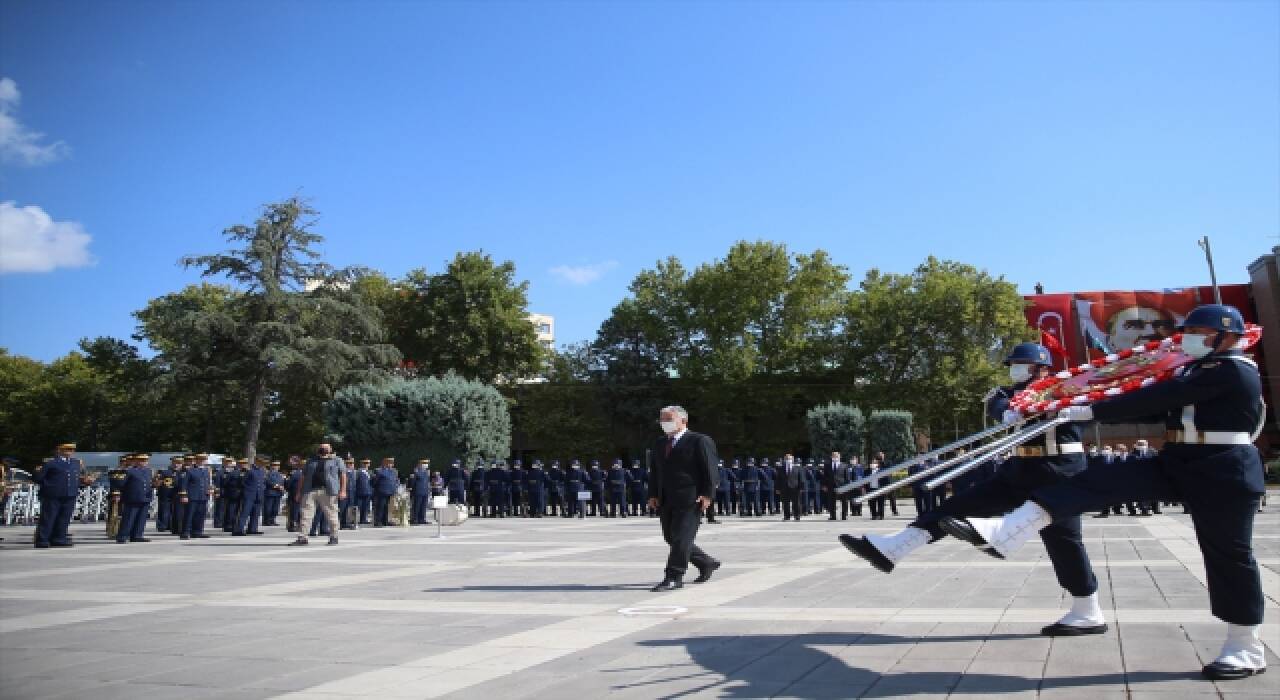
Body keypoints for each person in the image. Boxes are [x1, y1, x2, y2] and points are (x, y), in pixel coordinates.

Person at [941, 305, 1267, 680]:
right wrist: (1086, 406)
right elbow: (1153, 411)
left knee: (1228, 554)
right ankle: (1010, 528)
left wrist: (1089, 409)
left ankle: (1245, 646)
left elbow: (1158, 398)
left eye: (1199, 331)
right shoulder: (1194, 369)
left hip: (1223, 468)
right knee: (1093, 482)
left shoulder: (1233, 369)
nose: (1189, 337)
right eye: (1188, 328)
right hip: (1179, 458)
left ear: (1226, 338)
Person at [842, 341, 1105, 639]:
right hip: (1018, 471)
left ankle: (1087, 610)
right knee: (955, 507)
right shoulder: (1010, 393)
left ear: (1041, 367)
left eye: (1020, 364)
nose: (1014, 370)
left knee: (1064, 542)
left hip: (1059, 471)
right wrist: (1009, 410)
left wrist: (1068, 405)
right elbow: (996, 400)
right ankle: (893, 548)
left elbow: (1097, 406)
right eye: (1013, 365)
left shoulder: (1066, 387)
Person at [647, 405, 721, 591]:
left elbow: (710, 471)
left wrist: (708, 495)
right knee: (671, 537)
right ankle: (706, 563)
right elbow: (656, 471)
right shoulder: (660, 443)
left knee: (681, 537)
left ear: (683, 421)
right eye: (662, 420)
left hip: (691, 498)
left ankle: (674, 576)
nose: (665, 423)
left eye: (669, 419)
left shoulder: (699, 441)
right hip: (666, 498)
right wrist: (653, 494)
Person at [291, 443, 346, 546]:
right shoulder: (311, 460)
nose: (323, 449)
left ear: (330, 450)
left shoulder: (337, 460)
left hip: (328, 490)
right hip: (310, 490)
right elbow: (303, 477)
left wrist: (343, 490)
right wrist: (299, 492)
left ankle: (334, 536)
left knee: (332, 514)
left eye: (326, 448)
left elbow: (343, 475)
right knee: (305, 515)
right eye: (322, 448)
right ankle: (303, 537)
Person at [33, 443, 83, 548]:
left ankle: (59, 538)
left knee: (64, 517)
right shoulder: (51, 462)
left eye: (72, 450)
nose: (70, 452)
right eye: (67, 449)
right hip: (53, 494)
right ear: (59, 450)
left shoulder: (76, 463)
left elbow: (76, 477)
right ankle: (43, 539)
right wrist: (49, 486)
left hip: (70, 494)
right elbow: (38, 477)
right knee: (49, 517)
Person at [117, 454, 153, 544]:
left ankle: (137, 535)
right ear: (136, 461)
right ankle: (123, 536)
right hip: (132, 497)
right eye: (141, 460)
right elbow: (121, 484)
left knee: (141, 519)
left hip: (145, 497)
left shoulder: (148, 471)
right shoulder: (129, 471)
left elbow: (148, 483)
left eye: (145, 460)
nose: (143, 462)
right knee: (129, 518)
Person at [180, 454, 213, 539]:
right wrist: (184, 495)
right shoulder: (190, 470)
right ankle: (185, 532)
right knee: (189, 514)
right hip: (192, 496)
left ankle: (197, 531)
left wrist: (209, 489)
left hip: (203, 496)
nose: (202, 461)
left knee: (200, 515)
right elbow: (184, 484)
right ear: (196, 460)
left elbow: (207, 482)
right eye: (200, 459)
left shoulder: (206, 470)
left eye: (204, 460)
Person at [233, 458, 265, 535]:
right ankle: (238, 530)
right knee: (244, 512)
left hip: (258, 494)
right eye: (262, 462)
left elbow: (262, 482)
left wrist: (263, 489)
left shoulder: (262, 471)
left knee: (256, 513)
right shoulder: (249, 470)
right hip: (249, 495)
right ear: (257, 461)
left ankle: (252, 529)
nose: (263, 464)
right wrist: (246, 491)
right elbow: (242, 482)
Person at [776, 453, 804, 521]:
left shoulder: (798, 468)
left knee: (796, 503)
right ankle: (787, 516)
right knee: (785, 503)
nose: (788, 460)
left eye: (789, 459)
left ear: (792, 459)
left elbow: (801, 479)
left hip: (795, 487)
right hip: (784, 488)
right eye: (787, 459)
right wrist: (777, 488)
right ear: (784, 459)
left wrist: (801, 488)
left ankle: (797, 516)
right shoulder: (781, 468)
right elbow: (778, 479)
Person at [372, 457, 398, 527]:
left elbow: (396, 481)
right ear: (384, 463)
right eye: (389, 463)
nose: (390, 464)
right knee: (380, 507)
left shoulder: (394, 471)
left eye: (391, 463)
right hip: (381, 492)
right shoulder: (379, 471)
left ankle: (385, 521)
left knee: (387, 507)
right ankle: (378, 521)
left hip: (390, 492)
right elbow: (374, 482)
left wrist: (395, 489)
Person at [407, 460, 430, 525]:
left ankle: (422, 519)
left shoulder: (426, 472)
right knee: (416, 506)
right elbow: (412, 481)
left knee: (423, 506)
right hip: (417, 491)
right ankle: (414, 519)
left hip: (425, 491)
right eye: (424, 463)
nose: (426, 465)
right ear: (420, 464)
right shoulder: (416, 472)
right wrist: (410, 488)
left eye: (426, 463)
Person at [264, 460, 286, 526]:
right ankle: (266, 521)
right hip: (270, 493)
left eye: (278, 465)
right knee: (268, 508)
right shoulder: (268, 473)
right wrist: (277, 486)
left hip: (278, 493)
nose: (277, 467)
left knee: (275, 509)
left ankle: (272, 520)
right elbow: (268, 481)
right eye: (275, 465)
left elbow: (282, 482)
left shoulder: (280, 474)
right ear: (272, 466)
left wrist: (282, 487)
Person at [354, 458, 373, 524]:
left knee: (366, 507)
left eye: (367, 463)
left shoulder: (370, 472)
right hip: (360, 492)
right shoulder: (358, 472)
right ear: (361, 464)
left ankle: (363, 519)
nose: (366, 465)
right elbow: (355, 482)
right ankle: (356, 519)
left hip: (368, 492)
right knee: (359, 506)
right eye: (365, 463)